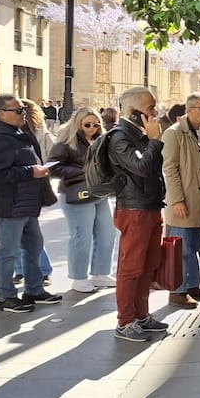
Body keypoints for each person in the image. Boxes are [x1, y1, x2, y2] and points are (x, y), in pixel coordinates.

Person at [0, 93, 59, 313]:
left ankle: (34, 289)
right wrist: (31, 171)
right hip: (10, 203)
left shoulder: (17, 132)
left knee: (33, 247)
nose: (24, 113)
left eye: (23, 109)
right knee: (8, 251)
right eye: (18, 110)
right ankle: (5, 297)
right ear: (1, 114)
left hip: (26, 202)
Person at [105, 87, 169, 342]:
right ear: (133, 112)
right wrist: (154, 141)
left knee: (148, 265)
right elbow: (141, 167)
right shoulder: (120, 138)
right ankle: (126, 320)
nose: (155, 113)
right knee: (131, 267)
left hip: (151, 205)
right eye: (150, 108)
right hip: (134, 209)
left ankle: (141, 315)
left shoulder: (139, 135)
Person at [161, 92, 200, 308]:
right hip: (185, 196)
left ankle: (192, 286)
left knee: (195, 244)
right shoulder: (174, 133)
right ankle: (177, 291)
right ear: (189, 110)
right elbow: (169, 169)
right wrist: (177, 200)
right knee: (181, 246)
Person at [48, 108, 116, 293]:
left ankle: (100, 273)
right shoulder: (66, 142)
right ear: (78, 123)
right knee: (81, 237)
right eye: (87, 124)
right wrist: (81, 171)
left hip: (99, 192)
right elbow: (52, 168)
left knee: (107, 233)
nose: (92, 128)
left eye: (96, 124)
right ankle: (79, 278)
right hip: (76, 194)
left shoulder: (100, 140)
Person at [14, 99, 55, 284]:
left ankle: (33, 270)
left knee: (26, 229)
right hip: (25, 181)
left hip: (30, 182)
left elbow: (53, 153)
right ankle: (28, 269)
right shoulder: (13, 132)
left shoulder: (38, 131)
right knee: (23, 229)